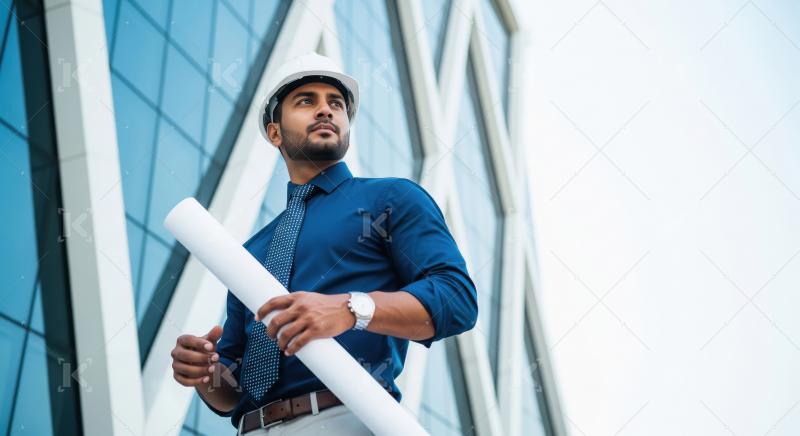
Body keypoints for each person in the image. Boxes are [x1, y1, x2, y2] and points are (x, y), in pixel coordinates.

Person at [170, 53, 478, 435]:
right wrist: (204, 372)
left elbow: (457, 300)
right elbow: (232, 392)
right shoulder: (249, 253)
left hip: (347, 419)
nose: (325, 111)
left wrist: (352, 308)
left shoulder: (391, 198)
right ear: (275, 133)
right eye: (306, 101)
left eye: (335, 104)